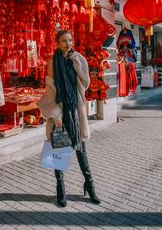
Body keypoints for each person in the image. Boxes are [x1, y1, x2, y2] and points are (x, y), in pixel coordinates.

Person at [37, 30, 101, 207]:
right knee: (59, 150)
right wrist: (55, 114)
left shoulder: (78, 59)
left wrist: (77, 64)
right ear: (57, 43)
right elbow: (50, 89)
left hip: (76, 110)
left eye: (70, 40)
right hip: (60, 110)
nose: (68, 44)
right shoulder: (52, 62)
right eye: (64, 41)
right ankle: (60, 188)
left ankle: (89, 185)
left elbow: (85, 83)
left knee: (81, 150)